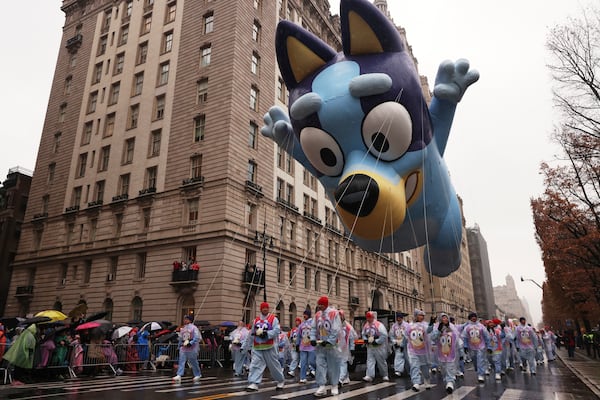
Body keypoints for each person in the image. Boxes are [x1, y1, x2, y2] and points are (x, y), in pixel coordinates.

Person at [245, 302, 285, 392]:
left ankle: (280, 380)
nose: (265, 309)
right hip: (257, 346)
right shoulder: (256, 320)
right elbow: (251, 334)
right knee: (255, 364)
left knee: (273, 365)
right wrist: (248, 346)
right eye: (263, 308)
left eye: (266, 308)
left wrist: (266, 334)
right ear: (261, 309)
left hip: (270, 346)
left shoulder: (273, 319)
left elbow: (277, 330)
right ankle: (254, 383)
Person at [310, 296, 342, 397]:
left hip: (331, 346)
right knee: (320, 365)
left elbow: (336, 329)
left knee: (333, 365)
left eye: (321, 304)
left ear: (325, 304)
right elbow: (314, 328)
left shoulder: (334, 313)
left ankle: (334, 385)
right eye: (319, 304)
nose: (320, 306)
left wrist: (329, 341)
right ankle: (322, 386)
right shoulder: (318, 315)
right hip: (320, 345)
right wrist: (312, 339)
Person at [430, 313, 461, 394]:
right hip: (441, 352)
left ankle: (450, 383)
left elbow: (457, 337)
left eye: (446, 318)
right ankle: (447, 381)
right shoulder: (437, 327)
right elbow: (432, 338)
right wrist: (438, 330)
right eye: (443, 318)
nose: (445, 319)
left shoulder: (452, 327)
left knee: (450, 366)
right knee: (443, 368)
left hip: (451, 352)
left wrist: (459, 348)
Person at [404, 309, 431, 392]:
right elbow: (406, 336)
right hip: (413, 350)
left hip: (424, 350)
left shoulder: (425, 325)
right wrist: (402, 345)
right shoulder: (409, 326)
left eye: (423, 315)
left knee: (425, 367)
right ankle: (416, 383)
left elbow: (429, 331)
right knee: (414, 366)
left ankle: (426, 379)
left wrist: (432, 324)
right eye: (420, 315)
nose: (422, 317)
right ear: (416, 316)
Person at [172, 314, 203, 383]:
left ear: (189, 320)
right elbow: (180, 337)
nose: (184, 320)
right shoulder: (183, 328)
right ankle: (179, 374)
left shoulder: (194, 328)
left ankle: (197, 374)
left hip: (192, 347)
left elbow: (197, 337)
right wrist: (179, 346)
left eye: (186, 319)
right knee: (181, 361)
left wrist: (190, 343)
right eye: (184, 319)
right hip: (183, 347)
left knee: (193, 361)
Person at [461, 312, 490, 383]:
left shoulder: (481, 326)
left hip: (481, 346)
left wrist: (488, 346)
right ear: (470, 318)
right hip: (472, 347)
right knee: (474, 359)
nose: (474, 318)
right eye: (472, 317)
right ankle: (478, 369)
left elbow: (486, 336)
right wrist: (465, 346)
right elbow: (465, 337)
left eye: (475, 316)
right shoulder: (467, 327)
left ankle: (480, 375)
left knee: (480, 360)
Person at [361, 310, 389, 382]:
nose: (368, 319)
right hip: (370, 347)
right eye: (367, 318)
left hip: (379, 347)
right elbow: (363, 334)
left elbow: (384, 335)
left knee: (381, 361)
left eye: (369, 317)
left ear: (373, 317)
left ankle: (385, 375)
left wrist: (377, 341)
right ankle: (369, 375)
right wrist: (365, 340)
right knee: (370, 361)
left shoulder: (379, 325)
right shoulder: (366, 325)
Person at [296, 309, 316, 383]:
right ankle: (302, 377)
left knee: (312, 361)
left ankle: (317, 370)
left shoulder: (313, 323)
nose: (304, 316)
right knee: (303, 362)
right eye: (304, 314)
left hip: (311, 346)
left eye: (306, 314)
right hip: (303, 346)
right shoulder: (302, 324)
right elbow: (299, 335)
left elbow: (316, 333)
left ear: (309, 315)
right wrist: (297, 345)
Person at [338, 309, 357, 385]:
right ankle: (346, 377)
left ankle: (340, 379)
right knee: (339, 363)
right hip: (337, 348)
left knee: (343, 363)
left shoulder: (348, 327)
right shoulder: (335, 326)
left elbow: (352, 338)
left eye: (340, 316)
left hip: (345, 348)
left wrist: (352, 348)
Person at [389, 312, 409, 377]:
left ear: (402, 318)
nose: (398, 319)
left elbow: (408, 335)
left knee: (408, 359)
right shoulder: (394, 326)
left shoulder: (406, 325)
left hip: (406, 345)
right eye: (397, 318)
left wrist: (404, 343)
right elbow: (391, 335)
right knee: (398, 357)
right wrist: (395, 342)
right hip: (398, 344)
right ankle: (398, 371)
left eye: (400, 318)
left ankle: (410, 371)